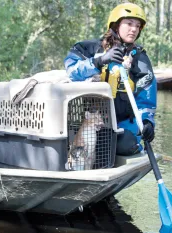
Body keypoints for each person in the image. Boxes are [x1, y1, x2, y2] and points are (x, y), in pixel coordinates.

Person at [64, 3, 156, 155]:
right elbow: (72, 72)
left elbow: (146, 97)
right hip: (91, 121)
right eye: (129, 23)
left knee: (126, 145)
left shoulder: (140, 58)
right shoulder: (90, 48)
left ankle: (131, 147)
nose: (134, 29)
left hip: (123, 124)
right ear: (116, 25)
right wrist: (98, 61)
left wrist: (147, 122)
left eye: (138, 26)